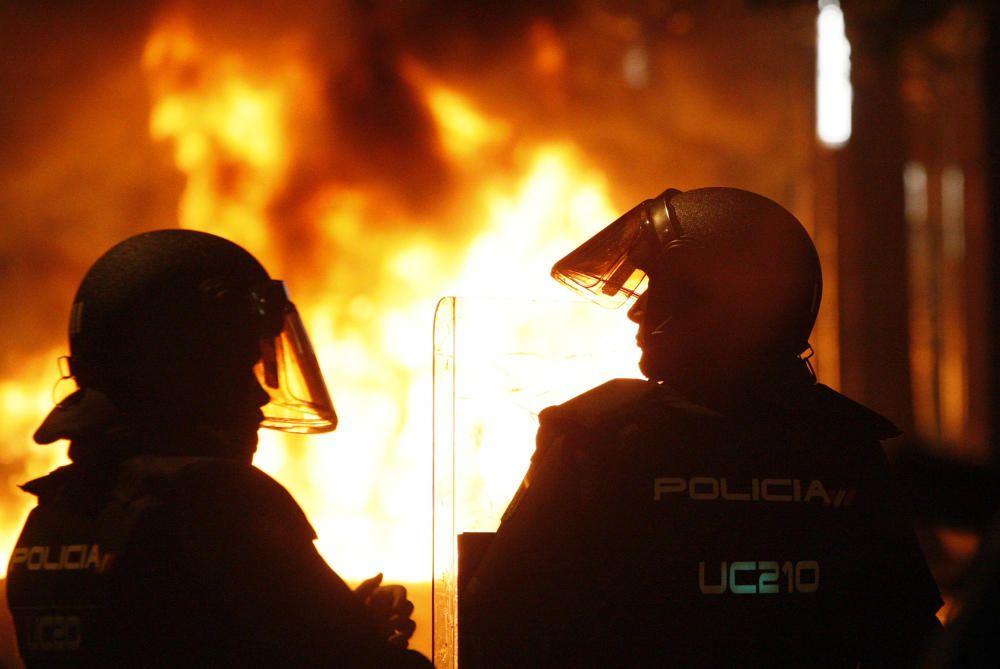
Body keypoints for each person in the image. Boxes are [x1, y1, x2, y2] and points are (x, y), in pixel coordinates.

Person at [465, 187, 943, 667]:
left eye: (659, 287)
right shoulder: (847, 448)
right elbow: (911, 639)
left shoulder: (601, 439)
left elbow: (499, 625)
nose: (636, 309)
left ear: (701, 301)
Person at [5, 230, 431, 668]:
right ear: (192, 370)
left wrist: (337, 625)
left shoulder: (52, 520)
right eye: (242, 368)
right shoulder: (221, 507)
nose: (261, 398)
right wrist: (362, 642)